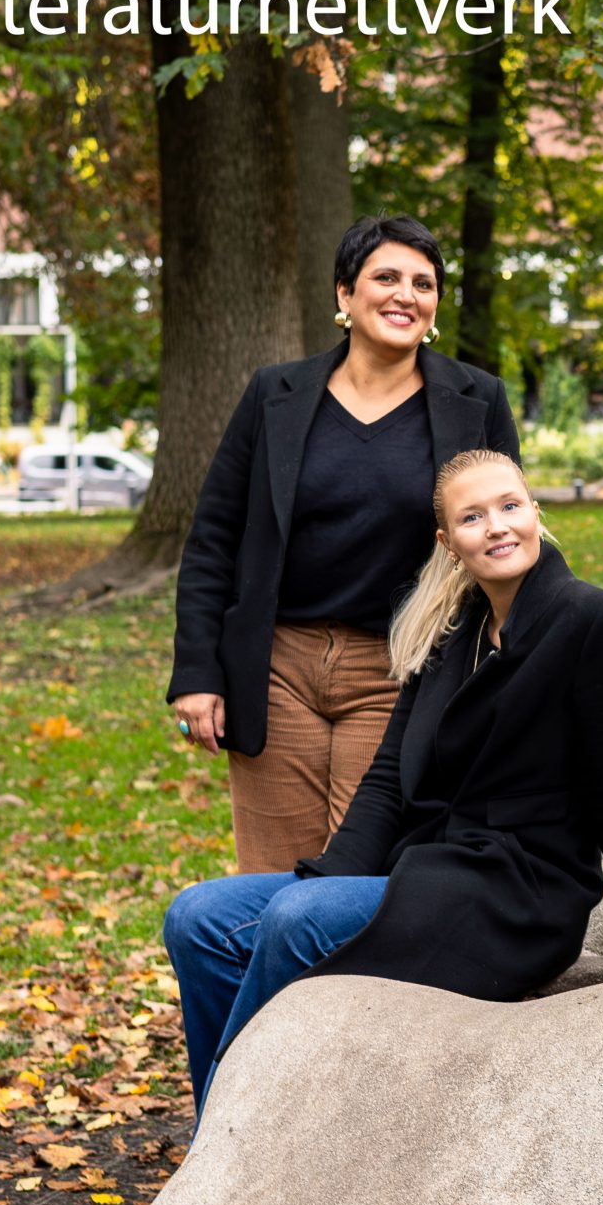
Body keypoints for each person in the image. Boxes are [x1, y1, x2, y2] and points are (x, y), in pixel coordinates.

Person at [162, 450, 603, 1114]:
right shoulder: (450, 631)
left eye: (510, 506)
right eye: (473, 516)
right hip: (430, 867)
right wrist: (330, 878)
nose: (497, 526)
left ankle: (236, 1128)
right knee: (198, 917)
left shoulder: (588, 620)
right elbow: (386, 778)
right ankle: (228, 1128)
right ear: (448, 541)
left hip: (518, 892)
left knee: (297, 920)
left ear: (535, 513)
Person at [166, 215, 520, 874]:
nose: (405, 294)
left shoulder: (476, 402)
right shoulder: (276, 395)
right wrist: (196, 673)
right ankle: (274, 985)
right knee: (271, 880)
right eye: (385, 277)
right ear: (344, 295)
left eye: (424, 282)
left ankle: (347, 986)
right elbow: (214, 537)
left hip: (399, 669)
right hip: (276, 671)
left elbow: (504, 544)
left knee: (358, 880)